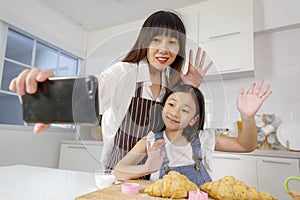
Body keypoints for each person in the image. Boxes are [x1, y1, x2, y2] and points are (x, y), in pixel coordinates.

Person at [9, 11, 213, 171]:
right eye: (156, 40)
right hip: (116, 171)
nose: (164, 49)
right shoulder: (124, 72)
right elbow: (83, 100)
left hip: (152, 171)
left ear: (179, 48)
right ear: (145, 42)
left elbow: (179, 130)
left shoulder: (170, 84)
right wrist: (44, 97)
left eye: (172, 42)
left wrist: (189, 91)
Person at [113, 81, 272, 186]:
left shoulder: (204, 139)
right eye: (171, 104)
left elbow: (245, 146)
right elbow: (119, 171)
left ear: (193, 120)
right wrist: (147, 167)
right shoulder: (150, 141)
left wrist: (247, 117)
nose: (175, 112)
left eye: (184, 109)